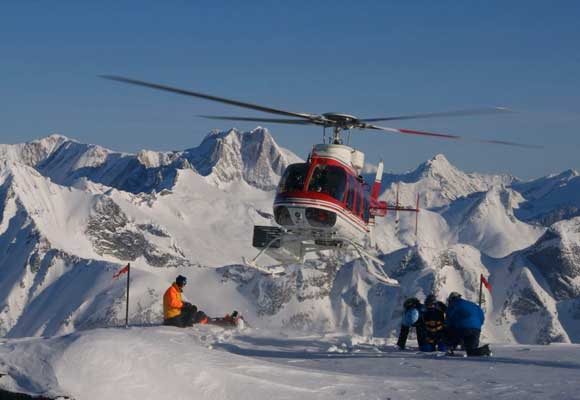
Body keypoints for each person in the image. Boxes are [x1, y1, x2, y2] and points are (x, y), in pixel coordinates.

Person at [445, 292, 491, 356]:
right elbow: (482, 318)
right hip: (476, 329)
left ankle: (451, 348)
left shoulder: (454, 303)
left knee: (451, 333)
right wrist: (476, 326)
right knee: (471, 351)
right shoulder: (473, 305)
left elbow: (448, 318)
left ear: (451, 299)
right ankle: (485, 350)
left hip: (463, 328)